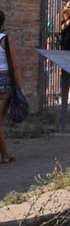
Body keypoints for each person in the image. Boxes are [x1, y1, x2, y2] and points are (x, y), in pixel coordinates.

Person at [0, 9, 23, 163]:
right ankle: (5, 154)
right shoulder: (5, 40)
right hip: (4, 80)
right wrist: (20, 87)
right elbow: (14, 65)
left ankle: (5, 154)